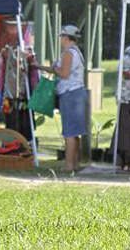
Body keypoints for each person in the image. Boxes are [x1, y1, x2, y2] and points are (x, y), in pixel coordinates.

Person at [31, 25, 87, 172]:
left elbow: (63, 73)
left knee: (69, 131)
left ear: (66, 37)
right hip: (77, 93)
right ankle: (74, 164)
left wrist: (54, 69)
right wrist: (39, 67)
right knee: (75, 132)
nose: (60, 40)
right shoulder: (76, 52)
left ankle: (68, 165)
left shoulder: (68, 53)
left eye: (61, 37)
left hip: (70, 94)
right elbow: (58, 69)